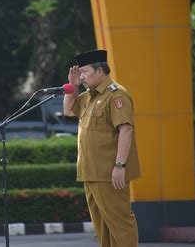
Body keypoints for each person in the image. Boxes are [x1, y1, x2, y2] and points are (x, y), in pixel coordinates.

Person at [63, 49, 141, 247]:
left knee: (120, 224)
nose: (82, 76)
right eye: (79, 73)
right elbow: (68, 110)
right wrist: (72, 86)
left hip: (109, 172)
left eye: (85, 72)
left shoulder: (116, 95)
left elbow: (126, 130)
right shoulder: (89, 96)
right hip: (90, 172)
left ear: (100, 71)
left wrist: (120, 165)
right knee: (103, 227)